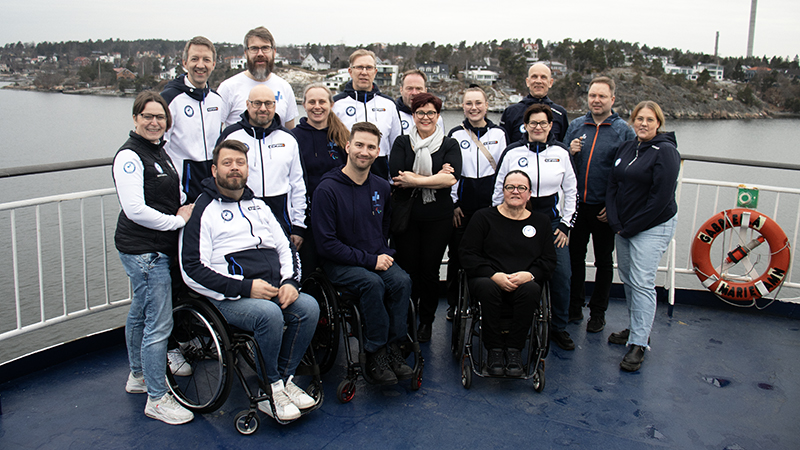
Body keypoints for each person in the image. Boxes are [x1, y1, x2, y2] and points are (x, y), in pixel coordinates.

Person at [180, 139, 319, 421]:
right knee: (268, 315)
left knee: (309, 307)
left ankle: (283, 381)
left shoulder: (258, 205)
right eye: (227, 163)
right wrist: (246, 288)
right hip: (229, 297)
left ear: (247, 168)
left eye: (240, 163)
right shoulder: (202, 210)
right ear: (214, 169)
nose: (234, 168)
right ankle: (271, 389)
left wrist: (291, 282)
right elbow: (191, 268)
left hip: (271, 287)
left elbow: (285, 248)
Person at [113, 91, 194, 425]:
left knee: (139, 312)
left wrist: (187, 205)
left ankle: (138, 375)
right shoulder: (130, 156)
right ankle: (157, 399)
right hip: (144, 248)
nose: (154, 122)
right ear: (135, 119)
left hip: (155, 245)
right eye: (147, 116)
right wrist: (177, 221)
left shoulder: (159, 151)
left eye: (159, 117)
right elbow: (135, 210)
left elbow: (171, 194)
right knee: (157, 324)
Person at [312, 122, 414, 385]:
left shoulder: (381, 187)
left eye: (371, 147)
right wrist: (371, 260)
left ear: (378, 151)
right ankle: (375, 351)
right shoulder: (327, 189)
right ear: (348, 146)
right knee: (371, 284)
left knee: (402, 281)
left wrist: (382, 252)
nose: (364, 151)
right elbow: (326, 244)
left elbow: (383, 227)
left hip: (374, 255)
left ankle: (394, 347)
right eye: (359, 145)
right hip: (339, 262)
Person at [493, 103, 578, 351]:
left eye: (543, 123)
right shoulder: (512, 152)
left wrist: (565, 224)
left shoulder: (561, 153)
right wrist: (500, 222)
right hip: (517, 219)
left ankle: (559, 326)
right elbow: (499, 190)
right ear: (525, 126)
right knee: (512, 269)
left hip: (552, 224)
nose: (538, 127)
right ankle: (512, 320)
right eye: (533, 123)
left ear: (550, 126)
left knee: (562, 274)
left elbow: (572, 191)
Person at [605, 101, 680, 372]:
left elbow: (660, 198)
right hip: (624, 226)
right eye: (639, 119)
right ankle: (638, 327)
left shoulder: (666, 152)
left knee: (643, 281)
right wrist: (615, 220)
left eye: (649, 119)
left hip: (651, 226)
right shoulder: (627, 147)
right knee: (627, 277)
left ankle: (638, 344)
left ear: (658, 123)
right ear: (632, 121)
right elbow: (613, 184)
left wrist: (632, 225)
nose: (644, 124)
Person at [460, 170, 556, 376]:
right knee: (487, 287)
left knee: (531, 289)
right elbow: (468, 255)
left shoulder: (541, 222)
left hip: (524, 282)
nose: (515, 191)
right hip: (488, 280)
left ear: (529, 194)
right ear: (502, 191)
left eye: (522, 188)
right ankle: (494, 350)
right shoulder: (483, 217)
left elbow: (548, 261)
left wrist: (528, 275)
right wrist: (493, 275)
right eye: (510, 187)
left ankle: (514, 350)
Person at [563, 77, 636, 333]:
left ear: (612, 100)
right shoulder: (575, 126)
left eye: (602, 96)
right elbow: (562, 165)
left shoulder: (623, 130)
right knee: (575, 258)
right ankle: (574, 307)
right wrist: (568, 151)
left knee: (604, 261)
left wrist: (614, 204)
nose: (596, 100)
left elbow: (628, 172)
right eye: (593, 95)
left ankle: (598, 312)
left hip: (605, 208)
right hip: (578, 206)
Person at [390, 93, 462, 343]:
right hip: (407, 218)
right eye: (420, 112)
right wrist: (435, 178)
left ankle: (427, 321)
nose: (425, 117)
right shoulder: (401, 142)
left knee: (430, 271)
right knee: (409, 270)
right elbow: (398, 177)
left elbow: (452, 179)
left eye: (431, 113)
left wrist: (416, 179)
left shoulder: (449, 144)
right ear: (413, 115)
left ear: (438, 116)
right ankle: (408, 317)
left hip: (438, 219)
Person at [445, 86, 508, 319]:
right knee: (458, 255)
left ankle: (486, 301)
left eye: (478, 103)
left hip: (491, 208)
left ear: (486, 105)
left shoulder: (499, 134)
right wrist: (453, 204)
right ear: (463, 106)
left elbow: (505, 173)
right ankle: (455, 303)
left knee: (490, 255)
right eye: (469, 103)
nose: (474, 108)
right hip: (463, 208)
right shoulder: (455, 134)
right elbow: (451, 173)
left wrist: (499, 206)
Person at [218, 84, 306, 248]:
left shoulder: (288, 138)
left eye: (268, 103)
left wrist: (298, 226)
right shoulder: (231, 136)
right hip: (241, 214)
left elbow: (298, 183)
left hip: (280, 216)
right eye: (257, 103)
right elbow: (217, 178)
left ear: (275, 105)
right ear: (247, 105)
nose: (263, 108)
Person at [290, 83, 348, 278]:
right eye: (312, 102)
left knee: (336, 268)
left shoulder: (342, 136)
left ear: (331, 105)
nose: (317, 106)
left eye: (322, 101)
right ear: (304, 105)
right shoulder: (292, 138)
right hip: (307, 217)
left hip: (338, 216)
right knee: (308, 270)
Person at [161, 36, 227, 202]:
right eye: (194, 59)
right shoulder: (169, 99)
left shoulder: (217, 100)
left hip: (212, 187)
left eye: (206, 60)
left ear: (213, 64)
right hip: (181, 188)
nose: (200, 65)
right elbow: (160, 147)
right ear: (184, 63)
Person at [332, 49, 402, 180]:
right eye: (359, 67)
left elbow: (396, 145)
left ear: (375, 72)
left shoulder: (389, 104)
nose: (364, 72)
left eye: (369, 68)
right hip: (344, 174)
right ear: (350, 71)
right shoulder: (336, 104)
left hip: (380, 174)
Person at [218, 26, 298, 129]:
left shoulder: (285, 88)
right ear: (246, 53)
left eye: (265, 48)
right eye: (254, 48)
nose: (260, 54)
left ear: (274, 52)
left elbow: (290, 134)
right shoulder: (228, 88)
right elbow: (214, 134)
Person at [499, 63, 568, 144]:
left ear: (550, 82)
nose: (538, 81)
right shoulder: (511, 112)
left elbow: (564, 147)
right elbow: (503, 146)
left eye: (543, 77)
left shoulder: (560, 113)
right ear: (527, 82)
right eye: (534, 77)